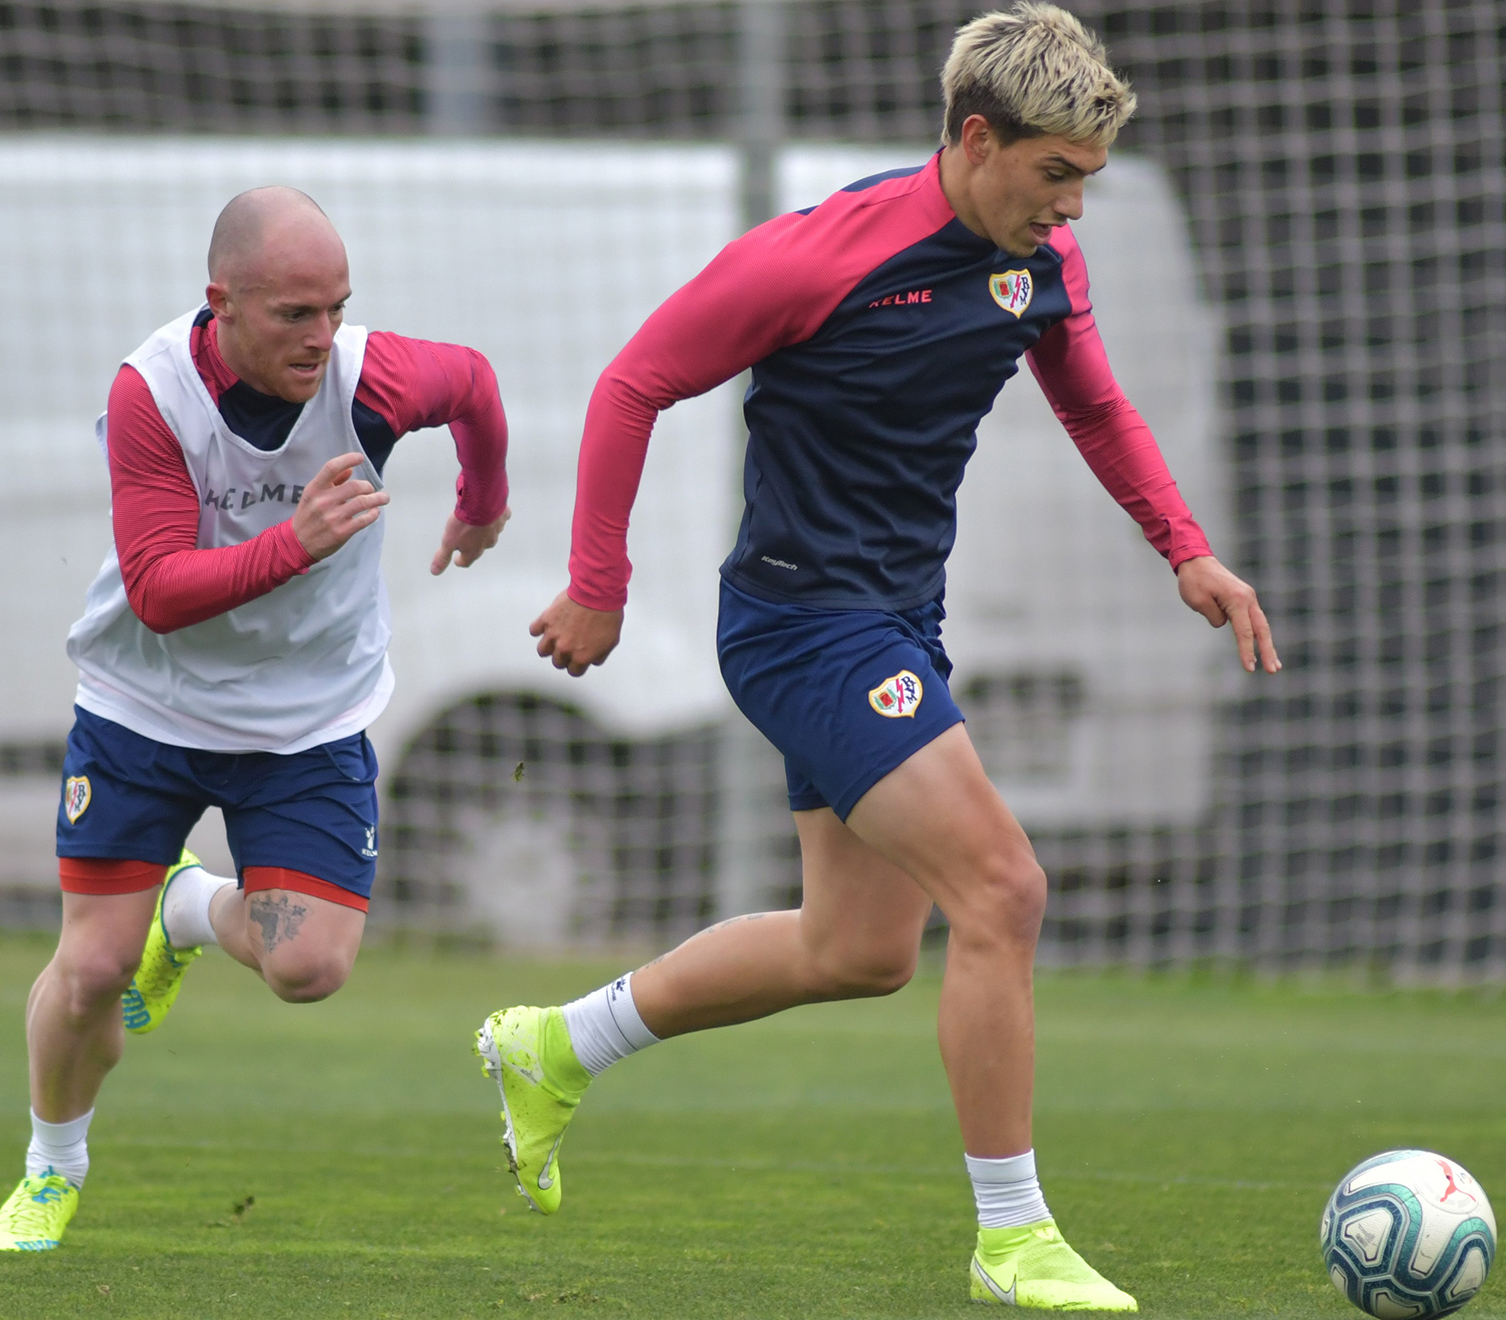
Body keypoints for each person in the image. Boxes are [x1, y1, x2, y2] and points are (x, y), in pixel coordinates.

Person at [478, 3, 1279, 1310]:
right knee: (1004, 892)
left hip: (896, 622)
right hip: (802, 626)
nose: (1071, 209)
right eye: (1055, 175)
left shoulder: (1039, 267)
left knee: (857, 950)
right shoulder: (816, 258)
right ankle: (1012, 1238)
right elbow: (633, 383)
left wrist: (1185, 549)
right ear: (976, 137)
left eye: (1088, 180)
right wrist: (597, 589)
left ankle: (556, 1045)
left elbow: (1096, 402)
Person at [0, 187, 512, 1252]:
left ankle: (185, 913)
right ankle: (52, 1166)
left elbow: (476, 385)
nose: (323, 338)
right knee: (88, 971)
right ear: (219, 303)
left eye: (335, 309)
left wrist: (482, 498)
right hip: (147, 704)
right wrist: (301, 542)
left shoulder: (375, 376)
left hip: (306, 717)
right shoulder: (153, 395)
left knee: (309, 969)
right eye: (293, 315)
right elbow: (160, 591)